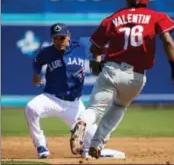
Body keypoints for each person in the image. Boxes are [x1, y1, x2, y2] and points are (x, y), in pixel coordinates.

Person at [70, 0, 174, 159]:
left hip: (111, 70)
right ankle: (97, 144)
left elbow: (95, 47)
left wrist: (96, 60)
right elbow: (167, 41)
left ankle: (83, 122)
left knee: (95, 108)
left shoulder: (114, 18)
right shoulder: (156, 17)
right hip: (136, 77)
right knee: (119, 106)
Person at [25, 23, 113, 159]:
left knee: (100, 138)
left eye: (62, 37)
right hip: (51, 98)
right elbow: (37, 61)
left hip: (74, 104)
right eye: (55, 38)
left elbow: (98, 48)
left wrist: (98, 59)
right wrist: (36, 74)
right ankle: (40, 145)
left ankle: (85, 148)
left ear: (68, 36)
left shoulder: (81, 47)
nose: (59, 41)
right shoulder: (47, 52)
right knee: (31, 108)